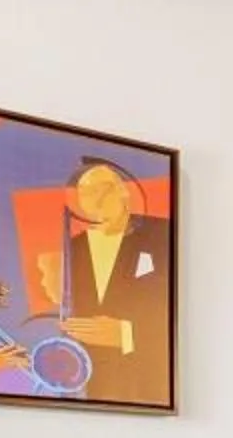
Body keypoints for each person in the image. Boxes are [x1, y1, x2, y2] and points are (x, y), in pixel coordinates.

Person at [56, 156, 169, 406]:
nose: (94, 200)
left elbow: (178, 310)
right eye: (85, 193)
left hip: (149, 386)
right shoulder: (74, 248)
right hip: (94, 385)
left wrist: (127, 334)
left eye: (101, 190)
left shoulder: (164, 233)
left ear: (124, 191)